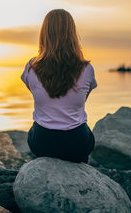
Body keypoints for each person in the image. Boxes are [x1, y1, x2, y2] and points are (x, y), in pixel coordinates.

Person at [21, 9, 97, 163]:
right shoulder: (87, 69)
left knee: (34, 130)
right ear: (72, 34)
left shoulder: (31, 67)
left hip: (42, 142)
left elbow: (35, 94)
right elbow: (82, 101)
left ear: (44, 33)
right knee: (86, 133)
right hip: (77, 142)